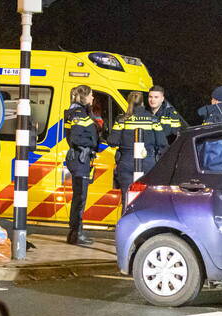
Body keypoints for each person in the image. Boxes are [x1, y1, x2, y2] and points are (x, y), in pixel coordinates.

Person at [64, 85, 103, 245]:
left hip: (80, 158)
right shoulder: (79, 114)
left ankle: (74, 233)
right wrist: (92, 143)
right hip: (80, 158)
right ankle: (76, 234)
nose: (93, 98)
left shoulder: (79, 112)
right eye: (91, 95)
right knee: (80, 198)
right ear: (84, 97)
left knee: (79, 197)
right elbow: (75, 138)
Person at [107, 91, 165, 200]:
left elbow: (112, 141)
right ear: (143, 102)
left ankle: (127, 216)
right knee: (146, 199)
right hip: (148, 163)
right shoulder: (153, 119)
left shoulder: (122, 119)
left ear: (129, 102)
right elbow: (162, 143)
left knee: (127, 198)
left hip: (126, 163)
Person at [147, 85, 186, 151]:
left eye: (156, 97)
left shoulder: (170, 114)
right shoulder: (146, 113)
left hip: (166, 152)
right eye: (150, 97)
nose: (152, 100)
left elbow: (176, 137)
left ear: (162, 99)